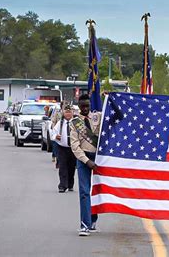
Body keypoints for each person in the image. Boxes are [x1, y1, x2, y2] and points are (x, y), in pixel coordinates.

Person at [70, 94, 101, 236]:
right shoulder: (74, 122)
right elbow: (75, 146)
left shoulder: (97, 117)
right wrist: (87, 162)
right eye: (82, 106)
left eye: (87, 105)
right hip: (84, 159)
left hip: (99, 158)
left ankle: (93, 219)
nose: (85, 108)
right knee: (84, 191)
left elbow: (116, 119)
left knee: (97, 191)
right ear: (78, 105)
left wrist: (111, 100)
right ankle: (85, 225)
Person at [51, 104, 76, 193]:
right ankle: (62, 185)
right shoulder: (60, 123)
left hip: (73, 148)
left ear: (72, 113)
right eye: (66, 112)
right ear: (63, 113)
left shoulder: (76, 122)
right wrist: (56, 136)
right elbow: (53, 133)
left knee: (71, 167)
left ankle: (70, 184)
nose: (68, 114)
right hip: (62, 148)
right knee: (62, 167)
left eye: (70, 112)